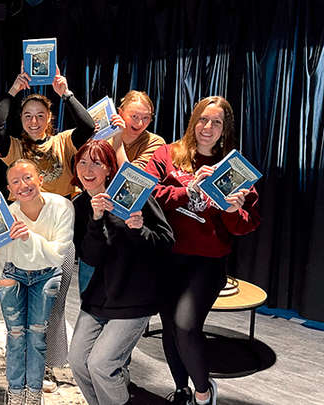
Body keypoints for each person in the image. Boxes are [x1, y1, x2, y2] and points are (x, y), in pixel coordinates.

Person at [144, 96, 261, 405]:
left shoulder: (232, 170)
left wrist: (229, 209)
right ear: (193, 121)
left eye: (216, 122)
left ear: (225, 130)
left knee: (185, 324)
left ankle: (203, 392)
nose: (208, 127)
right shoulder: (168, 154)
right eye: (203, 120)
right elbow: (149, 196)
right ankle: (181, 389)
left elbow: (246, 225)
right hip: (167, 256)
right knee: (169, 325)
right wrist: (189, 190)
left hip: (207, 262)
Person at [0, 62, 95, 391]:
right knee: (19, 315)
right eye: (27, 116)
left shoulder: (64, 141)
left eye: (40, 115)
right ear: (21, 120)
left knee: (52, 307)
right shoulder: (15, 147)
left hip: (55, 236)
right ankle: (19, 371)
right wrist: (13, 91)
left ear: (50, 118)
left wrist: (65, 93)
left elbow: (88, 126)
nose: (34, 121)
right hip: (18, 237)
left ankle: (43, 366)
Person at [68, 140, 174, 405]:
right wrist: (95, 219)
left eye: (97, 163)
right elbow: (89, 256)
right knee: (78, 363)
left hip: (134, 297)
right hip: (98, 297)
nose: (88, 169)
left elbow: (165, 240)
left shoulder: (134, 193)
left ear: (109, 169)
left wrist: (138, 229)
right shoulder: (80, 204)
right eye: (82, 162)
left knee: (102, 366)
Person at [0, 159, 74, 405]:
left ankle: (34, 393)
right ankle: (16, 391)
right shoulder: (4, 215)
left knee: (38, 335)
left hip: (47, 274)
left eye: (28, 177)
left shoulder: (62, 207)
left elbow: (58, 254)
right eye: (15, 182)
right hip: (13, 273)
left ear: (40, 179)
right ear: (9, 189)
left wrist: (30, 237)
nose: (23, 185)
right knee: (16, 334)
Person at [108, 90, 166, 169]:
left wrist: (117, 141)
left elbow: (132, 177)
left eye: (146, 118)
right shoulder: (105, 137)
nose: (140, 124)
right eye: (134, 116)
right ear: (120, 113)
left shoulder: (155, 142)